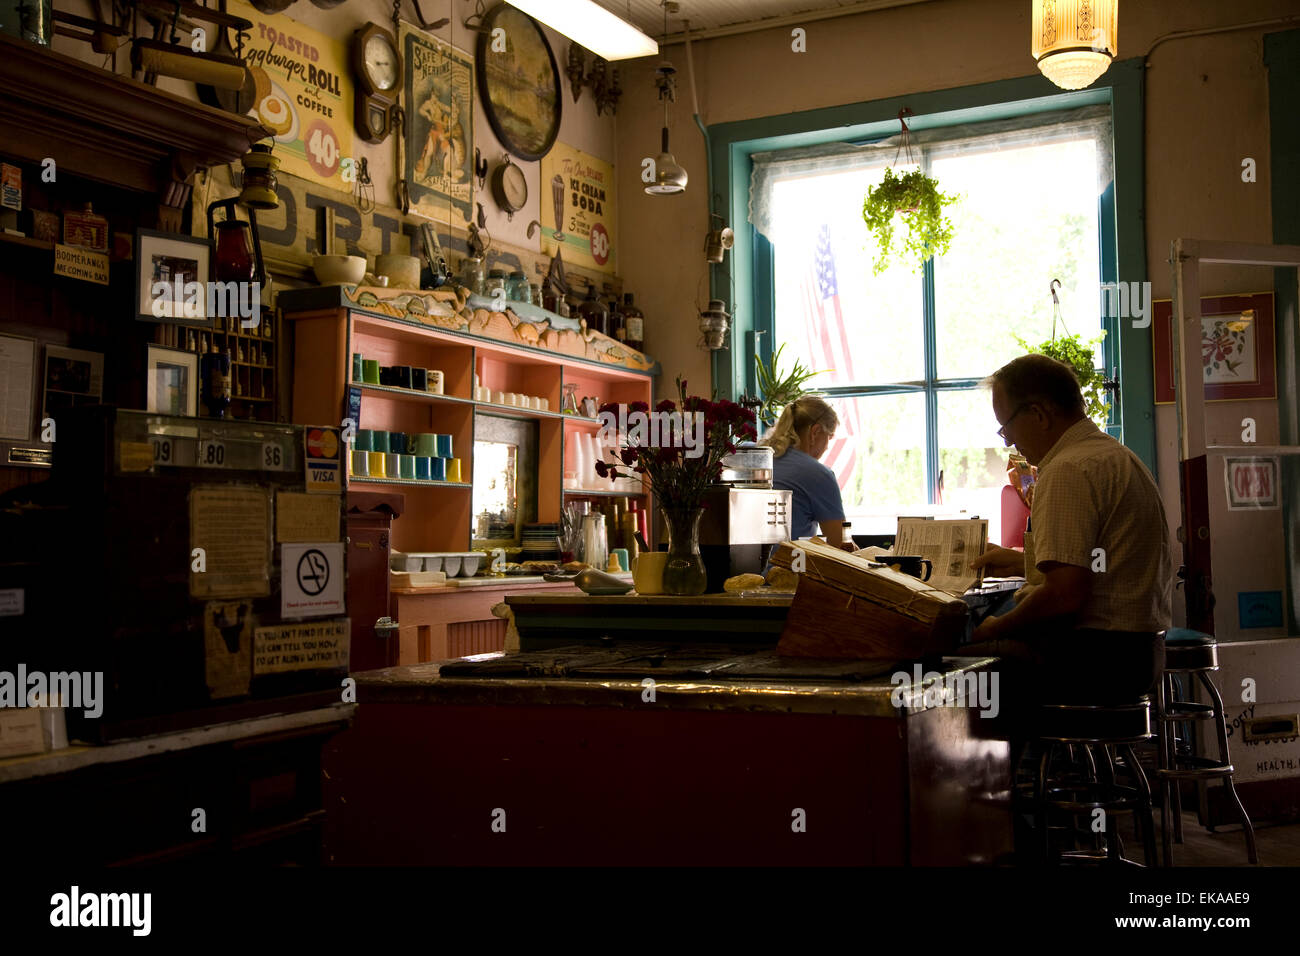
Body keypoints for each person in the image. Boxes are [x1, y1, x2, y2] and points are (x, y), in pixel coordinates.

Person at [967, 353, 1174, 702]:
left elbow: (1065, 595)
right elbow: (1099, 564)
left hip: (1095, 660)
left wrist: (993, 628)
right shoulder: (1116, 456)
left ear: (1038, 414)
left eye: (1007, 428)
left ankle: (1013, 758)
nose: (1009, 443)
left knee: (950, 670)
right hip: (1140, 655)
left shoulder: (1067, 469)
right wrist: (1023, 563)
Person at [759, 396, 855, 550]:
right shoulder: (818, 474)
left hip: (745, 572)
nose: (827, 447)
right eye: (829, 437)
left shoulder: (758, 458)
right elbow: (841, 544)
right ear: (815, 432)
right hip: (790, 570)